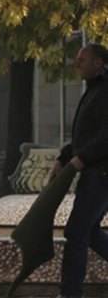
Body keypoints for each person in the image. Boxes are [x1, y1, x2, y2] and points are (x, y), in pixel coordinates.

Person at [49, 43, 108, 298]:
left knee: (76, 231)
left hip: (101, 173)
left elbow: (105, 137)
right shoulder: (94, 90)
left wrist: (80, 158)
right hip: (95, 171)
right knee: (89, 231)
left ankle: (70, 293)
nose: (77, 64)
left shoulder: (104, 91)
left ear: (98, 62)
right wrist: (64, 158)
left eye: (82, 60)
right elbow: (84, 135)